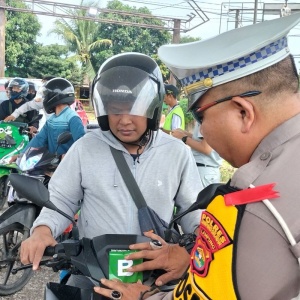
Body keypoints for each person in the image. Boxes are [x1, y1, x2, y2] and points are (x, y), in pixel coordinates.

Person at [93, 13, 300, 300]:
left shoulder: (262, 200)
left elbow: (209, 294)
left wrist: (142, 298)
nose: (201, 130)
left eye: (200, 116)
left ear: (243, 112)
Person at [20, 52, 203, 289]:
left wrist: (190, 251)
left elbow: (193, 213)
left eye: (134, 110)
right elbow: (61, 200)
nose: (124, 120)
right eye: (115, 110)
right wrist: (42, 230)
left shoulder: (177, 152)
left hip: (155, 278)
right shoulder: (85, 148)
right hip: (93, 273)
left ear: (153, 108)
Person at [18, 77, 85, 157]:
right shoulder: (52, 119)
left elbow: (81, 146)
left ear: (54, 96)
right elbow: (39, 139)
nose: (43, 99)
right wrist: (21, 155)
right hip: (51, 163)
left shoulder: (72, 118)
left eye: (45, 96)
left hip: (68, 165)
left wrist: (67, 155)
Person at [172, 122, 223, 187]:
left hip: (203, 171)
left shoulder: (206, 120)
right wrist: (183, 133)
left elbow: (206, 149)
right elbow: (200, 140)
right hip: (209, 170)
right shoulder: (214, 119)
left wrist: (183, 137)